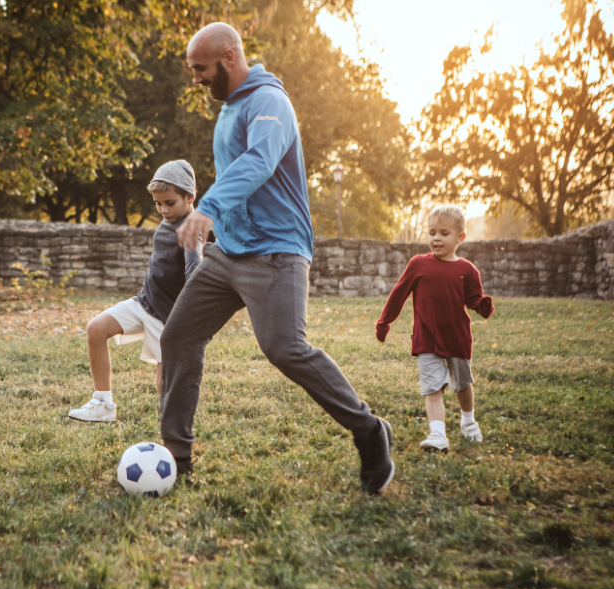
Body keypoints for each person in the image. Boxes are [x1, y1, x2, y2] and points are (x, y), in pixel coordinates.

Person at [159, 23, 395, 495]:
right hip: (228, 254)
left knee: (285, 348)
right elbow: (237, 175)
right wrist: (214, 225)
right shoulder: (228, 110)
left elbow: (258, 162)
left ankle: (369, 430)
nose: (197, 79)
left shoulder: (270, 101)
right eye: (192, 72)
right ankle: (176, 457)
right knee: (178, 335)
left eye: (201, 69)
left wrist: (206, 208)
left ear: (229, 57)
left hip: (277, 252)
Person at [68, 160, 203, 423]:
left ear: (190, 197)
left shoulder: (191, 230)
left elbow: (194, 271)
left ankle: (174, 430)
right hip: (144, 302)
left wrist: (190, 317)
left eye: (169, 203)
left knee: (165, 382)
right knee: (96, 328)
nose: (163, 209)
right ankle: (102, 404)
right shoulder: (170, 219)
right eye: (157, 203)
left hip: (168, 318)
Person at [375, 205, 494, 452]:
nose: (436, 238)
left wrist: (482, 305)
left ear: (460, 237)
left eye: (444, 233)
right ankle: (437, 434)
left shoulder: (467, 270)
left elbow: (473, 299)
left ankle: (468, 421)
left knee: (462, 385)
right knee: (432, 388)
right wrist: (384, 322)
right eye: (432, 233)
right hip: (426, 338)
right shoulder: (418, 264)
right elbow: (398, 295)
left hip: (457, 338)